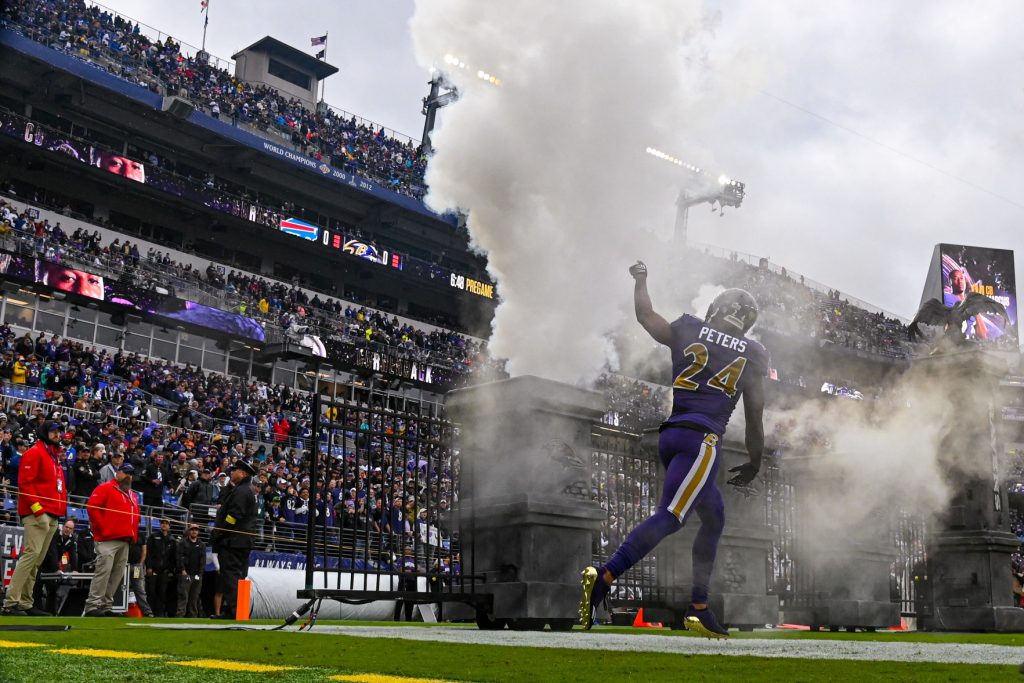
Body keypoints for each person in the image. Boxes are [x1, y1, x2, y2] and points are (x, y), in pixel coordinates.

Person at [579, 262, 767, 639]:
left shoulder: (690, 327)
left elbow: (645, 315)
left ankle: (699, 607)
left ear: (717, 308)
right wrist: (755, 462)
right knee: (671, 516)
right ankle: (605, 575)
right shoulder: (753, 352)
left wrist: (642, 280)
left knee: (714, 517)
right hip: (702, 440)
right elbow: (755, 418)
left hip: (673, 436)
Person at [2, 421, 67, 616]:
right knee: (30, 556)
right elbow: (25, 484)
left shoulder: (53, 457)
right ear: (44, 433)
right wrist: (39, 511)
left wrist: (58, 512)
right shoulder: (35, 452)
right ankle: (10, 601)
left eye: (59, 431)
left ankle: (25, 602)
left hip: (52, 514)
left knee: (36, 561)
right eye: (53, 431)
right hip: (38, 514)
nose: (57, 434)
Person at [83, 463, 139, 616]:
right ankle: (93, 605)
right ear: (118, 473)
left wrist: (133, 535)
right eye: (126, 473)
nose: (129, 476)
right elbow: (92, 507)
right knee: (103, 571)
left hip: (125, 540)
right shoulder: (105, 488)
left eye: (131, 474)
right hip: (108, 539)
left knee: (116, 575)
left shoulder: (132, 494)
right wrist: (102, 530)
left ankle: (106, 605)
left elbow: (135, 517)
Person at [209, 459, 257, 619]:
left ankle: (236, 610)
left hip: (234, 541)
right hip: (241, 540)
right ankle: (235, 610)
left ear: (242, 473)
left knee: (231, 576)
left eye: (234, 470)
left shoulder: (242, 491)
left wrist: (221, 532)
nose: (231, 473)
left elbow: (233, 516)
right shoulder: (244, 489)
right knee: (238, 576)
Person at [145, 518, 176, 617]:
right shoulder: (153, 537)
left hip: (164, 571)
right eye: (162, 523)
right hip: (153, 569)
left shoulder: (172, 540)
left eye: (166, 523)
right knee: (151, 591)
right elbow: (148, 553)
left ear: (169, 526)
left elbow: (173, 557)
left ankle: (159, 612)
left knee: (162, 592)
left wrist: (170, 569)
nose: (164, 525)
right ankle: (150, 612)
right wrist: (149, 567)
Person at [176, 524, 206, 617]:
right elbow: (179, 557)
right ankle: (180, 615)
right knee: (183, 596)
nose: (194, 531)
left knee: (194, 597)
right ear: (189, 531)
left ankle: (193, 616)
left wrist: (200, 574)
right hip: (186, 573)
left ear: (198, 532)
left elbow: (203, 560)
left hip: (197, 575)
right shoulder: (182, 543)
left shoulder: (201, 544)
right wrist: (183, 570)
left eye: (196, 530)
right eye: (192, 529)